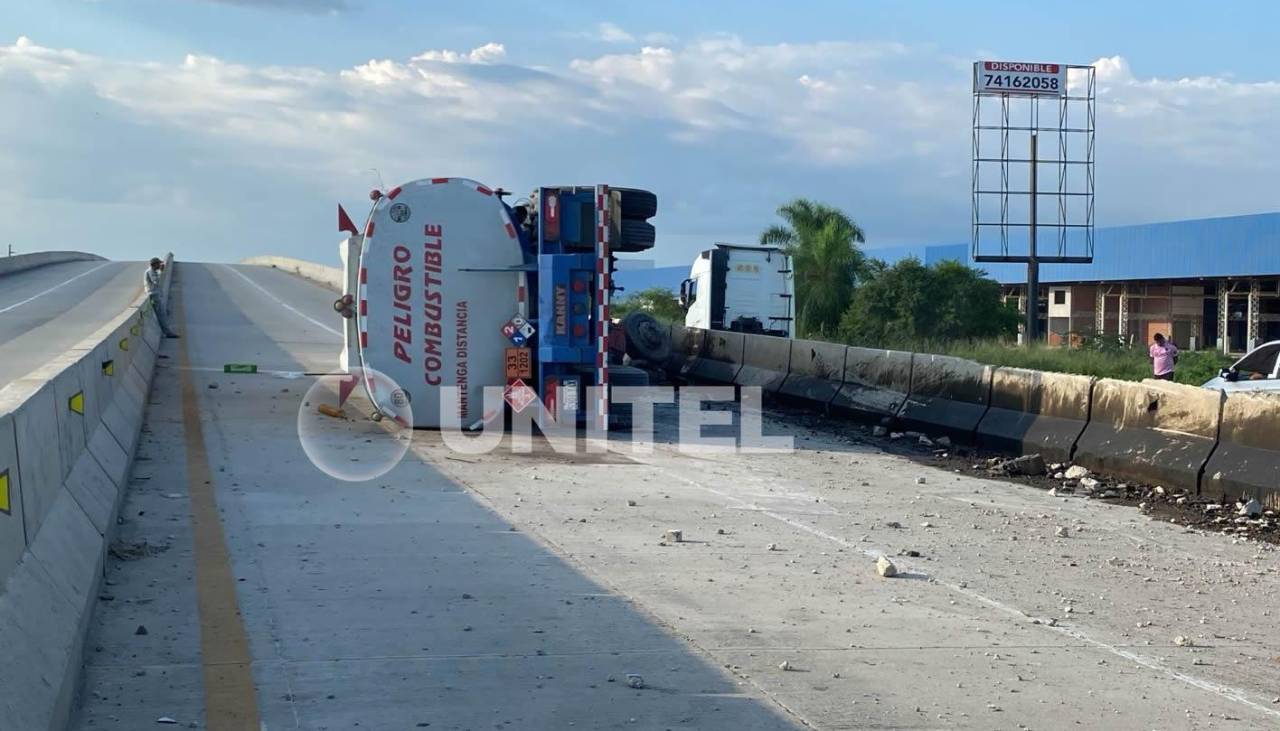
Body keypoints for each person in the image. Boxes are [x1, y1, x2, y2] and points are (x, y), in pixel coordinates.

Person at [144, 257, 179, 338]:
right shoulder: (151, 271)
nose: (159, 265)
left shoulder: (151, 271)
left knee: (162, 314)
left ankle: (167, 332)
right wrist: (161, 271)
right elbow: (156, 281)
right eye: (158, 264)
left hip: (155, 294)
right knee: (161, 315)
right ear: (154, 264)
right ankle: (167, 333)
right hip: (153, 295)